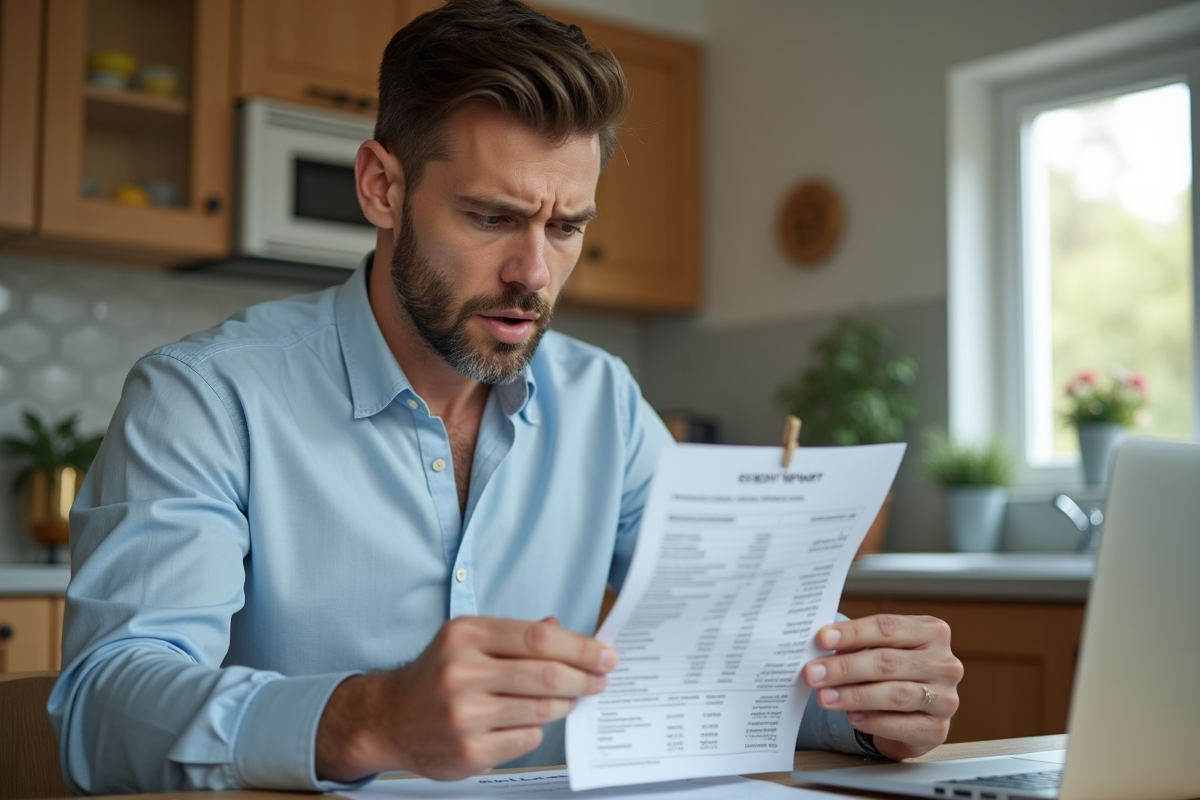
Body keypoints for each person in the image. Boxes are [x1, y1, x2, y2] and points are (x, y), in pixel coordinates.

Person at [49, 0, 963, 792]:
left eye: (567, 226)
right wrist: (368, 717)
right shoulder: (205, 396)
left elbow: (720, 647)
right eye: (491, 217)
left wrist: (869, 701)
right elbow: (104, 706)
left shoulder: (603, 401)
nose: (534, 272)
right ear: (382, 188)